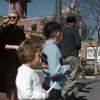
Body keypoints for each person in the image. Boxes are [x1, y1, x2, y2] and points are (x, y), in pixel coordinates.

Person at [41, 22, 71, 100]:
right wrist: (67, 68)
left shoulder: (47, 46)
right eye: (62, 33)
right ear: (58, 33)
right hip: (53, 87)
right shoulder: (53, 48)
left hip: (48, 84)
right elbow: (54, 71)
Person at [0, 10, 25, 100]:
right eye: (9, 17)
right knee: (9, 84)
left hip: (17, 60)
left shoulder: (20, 31)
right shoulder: (5, 30)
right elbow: (2, 45)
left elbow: (23, 45)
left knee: (17, 83)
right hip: (7, 61)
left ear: (17, 18)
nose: (11, 19)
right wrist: (15, 47)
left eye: (13, 17)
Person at [61, 14, 81, 100]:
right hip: (73, 56)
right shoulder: (74, 30)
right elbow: (78, 44)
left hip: (63, 58)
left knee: (68, 78)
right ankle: (62, 94)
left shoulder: (62, 30)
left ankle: (71, 98)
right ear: (74, 22)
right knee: (73, 79)